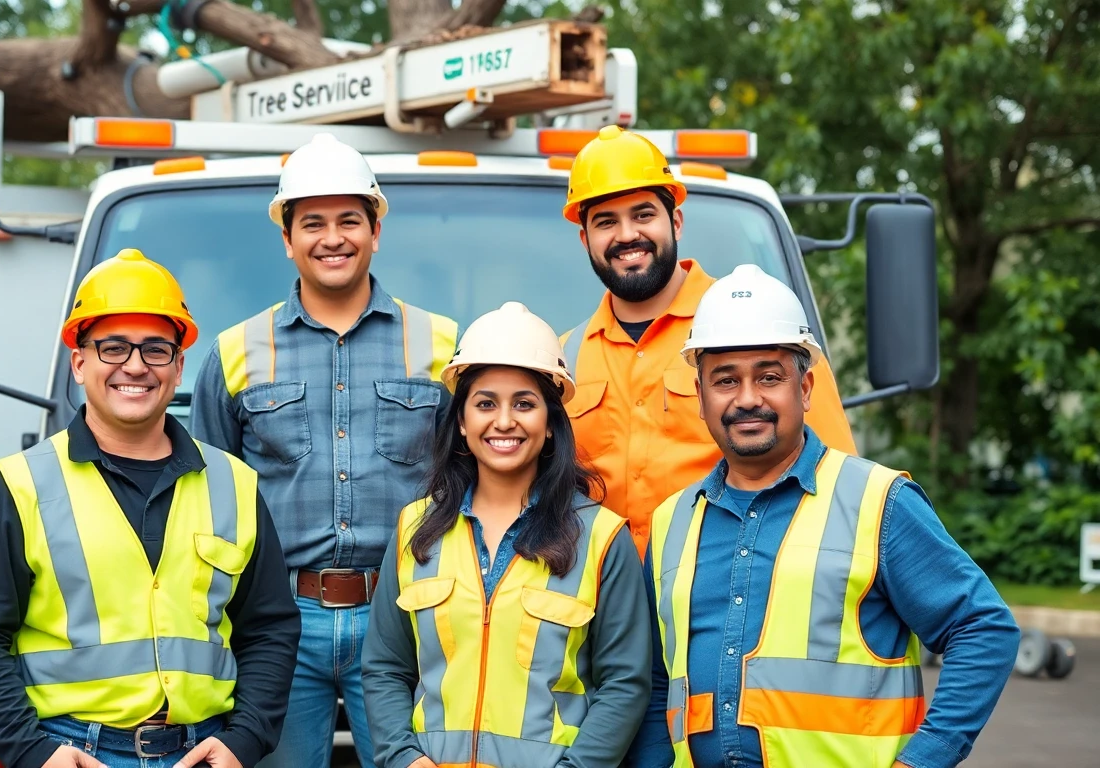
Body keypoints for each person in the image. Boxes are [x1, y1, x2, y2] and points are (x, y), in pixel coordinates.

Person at [631, 265, 1019, 768]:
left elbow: (982, 628)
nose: (747, 399)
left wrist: (923, 759)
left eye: (769, 377)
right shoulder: (672, 522)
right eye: (725, 380)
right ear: (701, 397)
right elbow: (660, 682)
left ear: (806, 388)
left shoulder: (878, 502)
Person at [0, 248, 300, 768]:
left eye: (156, 349)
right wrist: (33, 753)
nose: (135, 366)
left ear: (179, 366)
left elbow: (269, 628)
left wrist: (243, 740)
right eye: (113, 347)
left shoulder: (235, 483)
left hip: (203, 752)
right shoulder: (19, 486)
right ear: (79, 361)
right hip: (73, 751)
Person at [191, 133, 459, 768]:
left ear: (375, 231)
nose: (332, 238)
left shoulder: (443, 344)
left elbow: (472, 482)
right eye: (312, 222)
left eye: (349, 220)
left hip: (408, 617)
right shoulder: (235, 352)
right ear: (287, 238)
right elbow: (203, 503)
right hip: (279, 621)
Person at [362, 301, 652, 768]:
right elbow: (384, 668)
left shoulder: (601, 538)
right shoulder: (414, 531)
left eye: (524, 403)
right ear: (461, 422)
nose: (504, 421)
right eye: (485, 404)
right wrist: (404, 759)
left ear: (551, 424)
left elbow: (625, 684)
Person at [558, 125, 857, 557]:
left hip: (725, 602)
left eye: (643, 214)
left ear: (675, 220)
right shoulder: (564, 357)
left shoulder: (759, 325)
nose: (626, 235)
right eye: (606, 221)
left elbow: (839, 483)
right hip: (603, 610)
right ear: (586, 238)